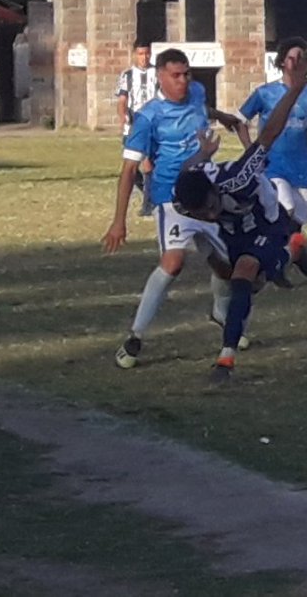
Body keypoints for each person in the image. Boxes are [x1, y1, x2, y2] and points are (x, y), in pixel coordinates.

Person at [173, 51, 307, 383]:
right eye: (203, 213)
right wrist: (201, 154)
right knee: (248, 282)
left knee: (245, 275)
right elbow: (185, 170)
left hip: (266, 218)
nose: (209, 213)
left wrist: (295, 88)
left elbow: (269, 134)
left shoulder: (237, 177)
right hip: (235, 230)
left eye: (211, 206)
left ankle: (226, 359)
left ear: (215, 189)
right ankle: (292, 251)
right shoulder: (187, 200)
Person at [102, 48, 244, 369]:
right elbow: (128, 170)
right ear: (160, 77)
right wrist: (118, 221)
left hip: (206, 192)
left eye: (186, 74)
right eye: (175, 75)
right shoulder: (148, 118)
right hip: (171, 198)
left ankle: (220, 313)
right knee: (174, 262)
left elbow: (200, 108)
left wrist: (221, 116)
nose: (183, 81)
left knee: (228, 266)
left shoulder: (197, 92)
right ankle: (135, 337)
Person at [234, 37, 307, 284]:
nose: (295, 62)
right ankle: (272, 263)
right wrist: (252, 151)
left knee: (296, 222)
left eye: (301, 58)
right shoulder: (265, 93)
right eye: (291, 58)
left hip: (301, 168)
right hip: (272, 166)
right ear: (281, 62)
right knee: (284, 211)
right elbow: (240, 121)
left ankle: (287, 258)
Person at [116, 41, 159, 217]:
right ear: (135, 54)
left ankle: (148, 206)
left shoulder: (158, 73)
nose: (144, 57)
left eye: (147, 53)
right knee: (130, 168)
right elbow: (122, 100)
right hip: (132, 125)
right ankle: (151, 195)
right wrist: (124, 117)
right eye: (141, 54)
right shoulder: (127, 76)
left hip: (151, 124)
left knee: (147, 163)